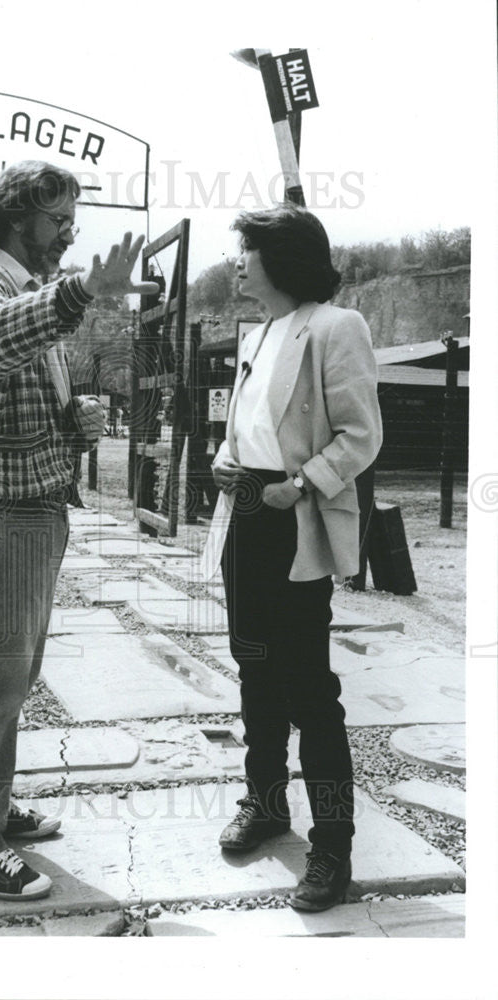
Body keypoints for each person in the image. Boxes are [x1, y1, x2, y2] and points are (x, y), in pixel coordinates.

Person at [0, 160, 157, 902]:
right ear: (14, 218)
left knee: (14, 673)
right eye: (57, 220)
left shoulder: (28, 294)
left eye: (72, 221)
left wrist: (78, 420)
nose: (68, 234)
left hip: (34, 508)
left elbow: (23, 391)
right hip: (0, 509)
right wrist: (81, 291)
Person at [201, 202, 382, 912]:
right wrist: (223, 459)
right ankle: (265, 802)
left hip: (291, 518)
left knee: (309, 687)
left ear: (280, 258)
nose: (238, 261)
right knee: (253, 668)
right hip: (242, 515)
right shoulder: (262, 329)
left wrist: (302, 484)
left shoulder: (336, 327)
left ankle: (331, 846)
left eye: (246, 250)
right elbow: (244, 426)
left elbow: (359, 435)